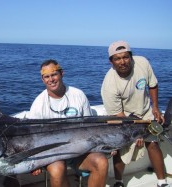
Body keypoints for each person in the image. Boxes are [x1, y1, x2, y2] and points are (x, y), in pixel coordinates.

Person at [27, 59, 109, 187]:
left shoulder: (78, 95)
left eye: (54, 74)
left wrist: (105, 146)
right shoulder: (38, 104)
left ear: (61, 74)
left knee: (101, 162)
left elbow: (90, 128)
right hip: (53, 155)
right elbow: (31, 138)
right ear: (43, 80)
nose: (51, 79)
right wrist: (33, 163)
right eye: (46, 77)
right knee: (57, 169)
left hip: (79, 152)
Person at [101, 41, 169, 187]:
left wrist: (155, 107)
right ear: (111, 62)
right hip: (124, 117)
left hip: (145, 111)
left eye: (126, 57)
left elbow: (153, 84)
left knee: (153, 142)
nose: (122, 62)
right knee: (121, 148)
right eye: (117, 58)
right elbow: (118, 115)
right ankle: (119, 182)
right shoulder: (109, 85)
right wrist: (136, 133)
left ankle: (162, 181)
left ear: (131, 57)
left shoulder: (142, 62)